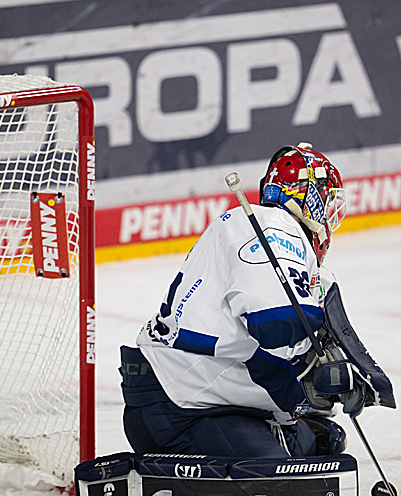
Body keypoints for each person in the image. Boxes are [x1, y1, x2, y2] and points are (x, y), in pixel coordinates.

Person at [120, 143, 382, 459]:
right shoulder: (274, 226)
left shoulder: (260, 230)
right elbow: (275, 323)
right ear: (308, 196)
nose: (328, 217)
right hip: (182, 406)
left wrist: (319, 375)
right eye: (326, 204)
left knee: (323, 442)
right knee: (289, 487)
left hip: (201, 395)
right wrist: (312, 366)